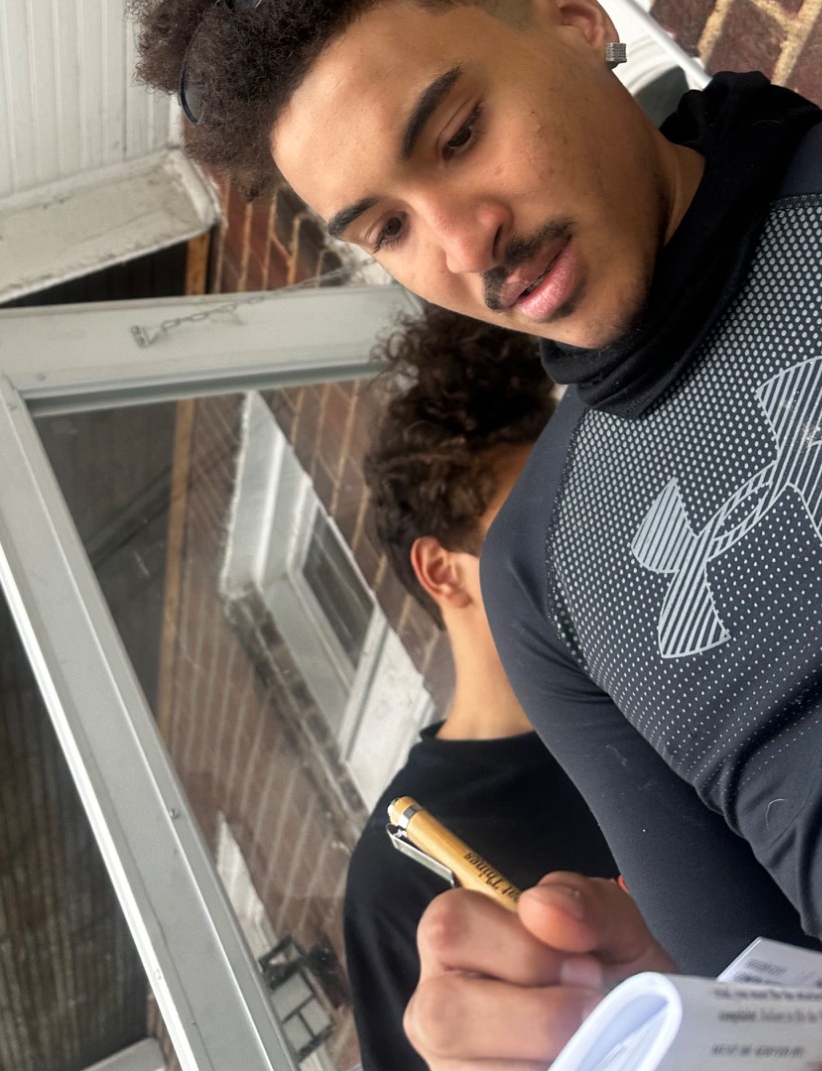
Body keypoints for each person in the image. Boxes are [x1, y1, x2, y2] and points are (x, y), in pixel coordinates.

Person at [130, 0, 822, 1067]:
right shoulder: (545, 577)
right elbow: (784, 998)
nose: (462, 239)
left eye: (458, 133)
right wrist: (648, 1002)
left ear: (577, 18)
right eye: (387, 228)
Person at [343, 303, 618, 1071]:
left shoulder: (655, 691)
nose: (579, 542)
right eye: (530, 525)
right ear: (442, 571)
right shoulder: (403, 868)